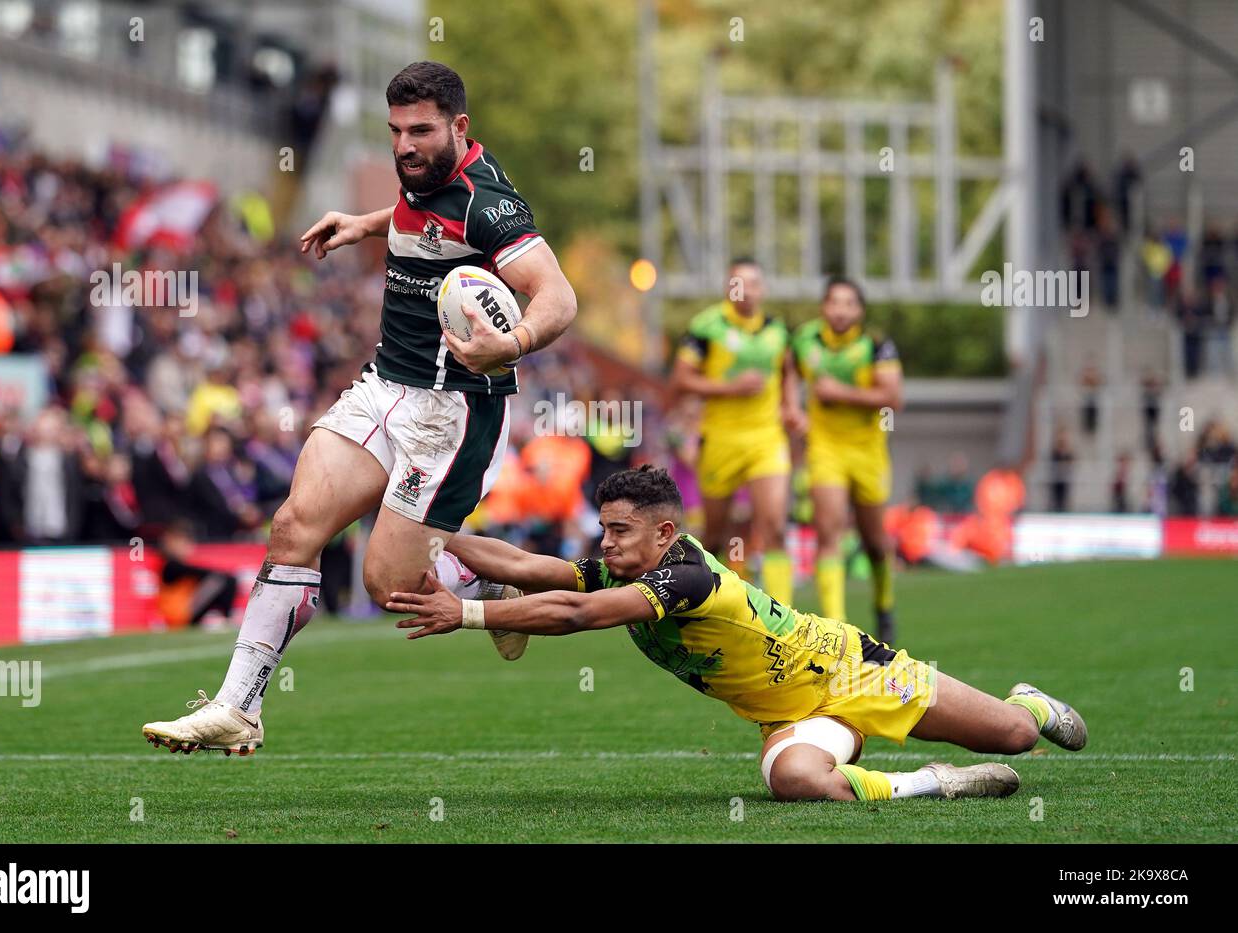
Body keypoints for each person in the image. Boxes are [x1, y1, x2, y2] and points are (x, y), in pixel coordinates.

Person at [142, 61, 578, 756]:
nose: (405, 145)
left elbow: (558, 295)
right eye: (396, 130)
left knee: (389, 584)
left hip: (453, 410)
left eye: (421, 131)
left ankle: (488, 575)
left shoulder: (489, 205)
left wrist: (514, 341)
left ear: (460, 128)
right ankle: (238, 707)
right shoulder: (422, 179)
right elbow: (416, 217)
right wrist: (365, 222)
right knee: (293, 525)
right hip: (383, 384)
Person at [390, 466, 1087, 803]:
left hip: (851, 669)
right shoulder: (629, 562)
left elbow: (575, 614)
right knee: (794, 781)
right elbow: (520, 563)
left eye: (620, 530)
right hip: (787, 713)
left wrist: (468, 613)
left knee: (1016, 736)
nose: (606, 543)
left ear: (665, 532)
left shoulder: (686, 577)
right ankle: (937, 784)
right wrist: (426, 527)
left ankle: (1026, 701)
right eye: (604, 528)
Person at [670, 258, 803, 606]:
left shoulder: (777, 330)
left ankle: (782, 618)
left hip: (767, 438)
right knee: (714, 533)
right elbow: (681, 379)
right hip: (720, 439)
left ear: (763, 289)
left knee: (773, 526)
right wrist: (731, 388)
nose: (747, 291)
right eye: (738, 284)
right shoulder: (706, 327)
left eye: (753, 283)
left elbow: (788, 371)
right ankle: (707, 603)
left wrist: (791, 407)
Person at [791, 277, 902, 644]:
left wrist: (841, 392)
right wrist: (791, 408)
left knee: (874, 542)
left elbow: (893, 398)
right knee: (829, 532)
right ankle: (835, 627)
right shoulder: (804, 340)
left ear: (860, 310)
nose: (841, 310)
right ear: (824, 306)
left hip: (868, 451)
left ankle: (884, 603)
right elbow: (787, 372)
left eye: (849, 303)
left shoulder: (876, 345)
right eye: (834, 302)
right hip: (825, 450)